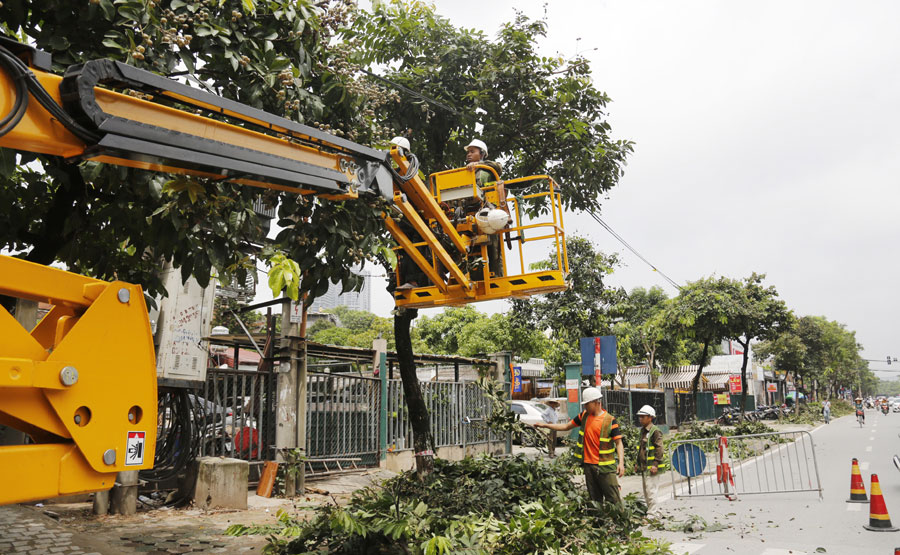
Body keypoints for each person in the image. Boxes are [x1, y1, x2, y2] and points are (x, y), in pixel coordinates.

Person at [533, 387, 625, 506]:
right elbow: (566, 426)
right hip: (588, 466)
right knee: (594, 500)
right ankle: (599, 522)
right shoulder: (584, 416)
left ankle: (618, 521)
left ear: (596, 402)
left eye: (587, 404)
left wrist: (621, 463)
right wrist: (545, 425)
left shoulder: (610, 420)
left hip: (605, 469)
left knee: (613, 500)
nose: (585, 407)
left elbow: (619, 443)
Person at [464, 139, 509, 278]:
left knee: (492, 245)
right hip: (470, 213)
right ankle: (475, 275)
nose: (469, 155)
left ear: (482, 154)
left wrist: (479, 164)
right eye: (468, 152)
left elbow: (498, 167)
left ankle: (496, 274)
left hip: (488, 212)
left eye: (473, 152)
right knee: (471, 245)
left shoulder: (488, 168)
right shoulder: (467, 171)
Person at [635, 405, 665, 513]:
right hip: (645, 467)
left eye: (643, 417)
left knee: (651, 491)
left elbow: (659, 448)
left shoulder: (655, 431)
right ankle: (653, 512)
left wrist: (655, 464)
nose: (640, 419)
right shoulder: (643, 431)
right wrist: (637, 463)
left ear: (650, 417)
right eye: (640, 417)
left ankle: (653, 514)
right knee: (647, 491)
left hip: (652, 467)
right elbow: (641, 449)